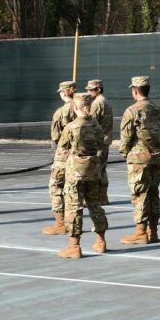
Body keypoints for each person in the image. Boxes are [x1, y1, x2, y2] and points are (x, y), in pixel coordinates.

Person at [57, 92, 109, 259]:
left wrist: (70, 154)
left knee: (74, 207)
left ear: (75, 107)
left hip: (75, 173)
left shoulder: (71, 127)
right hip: (93, 170)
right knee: (95, 204)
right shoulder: (96, 126)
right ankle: (101, 241)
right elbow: (102, 145)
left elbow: (62, 147)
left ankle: (74, 246)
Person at [118, 76, 160, 245]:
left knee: (139, 194)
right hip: (155, 157)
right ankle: (154, 231)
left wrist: (125, 153)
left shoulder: (132, 110)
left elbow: (126, 138)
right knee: (153, 193)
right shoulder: (157, 110)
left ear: (135, 90)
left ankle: (140, 232)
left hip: (138, 158)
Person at [42, 81, 78, 235]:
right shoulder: (83, 109)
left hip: (63, 156)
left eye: (61, 91)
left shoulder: (61, 112)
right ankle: (73, 221)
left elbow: (55, 136)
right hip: (79, 155)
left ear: (65, 92)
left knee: (56, 187)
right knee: (73, 189)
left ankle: (60, 222)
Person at [87, 79, 114, 204]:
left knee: (94, 170)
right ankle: (103, 197)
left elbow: (91, 122)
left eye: (91, 89)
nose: (89, 92)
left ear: (98, 89)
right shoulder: (106, 102)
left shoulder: (97, 103)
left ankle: (95, 198)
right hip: (105, 141)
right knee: (102, 169)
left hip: (97, 141)